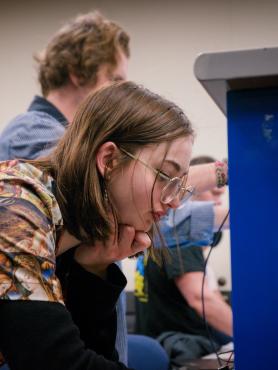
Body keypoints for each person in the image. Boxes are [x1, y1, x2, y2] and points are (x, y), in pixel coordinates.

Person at [0, 81, 195, 369]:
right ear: (109, 159)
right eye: (165, 176)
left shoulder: (73, 238)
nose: (174, 201)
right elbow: (57, 363)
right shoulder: (16, 204)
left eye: (179, 186)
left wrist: (92, 270)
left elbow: (97, 356)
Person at [135, 155, 232, 368]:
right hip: (180, 351)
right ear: (189, 193)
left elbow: (212, 297)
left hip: (164, 345)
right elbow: (200, 298)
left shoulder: (168, 236)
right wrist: (253, 338)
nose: (219, 195)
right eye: (213, 188)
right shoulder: (181, 241)